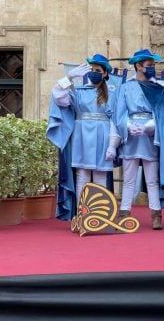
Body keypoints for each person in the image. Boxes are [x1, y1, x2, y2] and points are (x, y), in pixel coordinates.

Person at [46, 54, 118, 220]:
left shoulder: (112, 95)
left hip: (102, 137)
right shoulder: (77, 92)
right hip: (82, 137)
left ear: (105, 74)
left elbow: (116, 121)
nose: (93, 72)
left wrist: (112, 145)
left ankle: (101, 216)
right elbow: (57, 94)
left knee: (100, 176)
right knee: (82, 176)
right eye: (91, 69)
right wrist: (69, 77)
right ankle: (83, 215)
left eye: (97, 70)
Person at [114, 49, 164, 230]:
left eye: (153, 65)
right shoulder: (125, 88)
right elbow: (119, 113)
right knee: (129, 178)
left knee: (152, 179)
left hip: (150, 137)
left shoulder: (159, 90)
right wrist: (128, 125)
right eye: (149, 66)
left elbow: (162, 116)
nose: (152, 69)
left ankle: (156, 214)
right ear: (138, 66)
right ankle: (124, 213)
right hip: (131, 137)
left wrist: (149, 126)